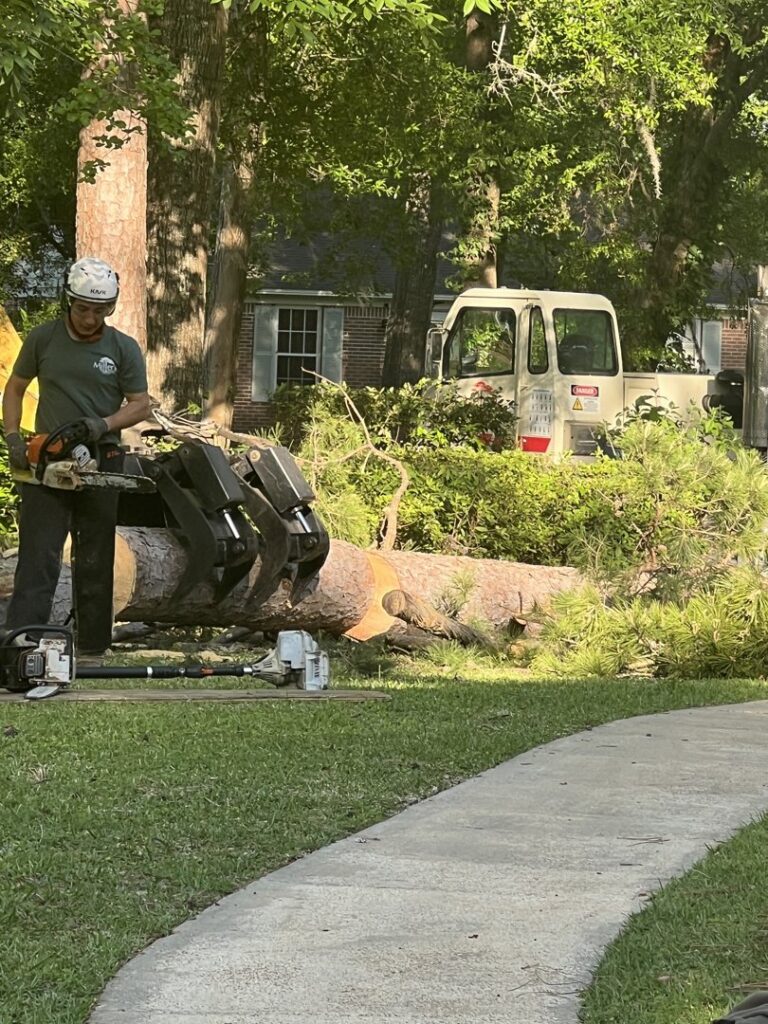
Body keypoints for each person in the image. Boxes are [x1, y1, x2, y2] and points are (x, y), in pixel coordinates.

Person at [2, 256, 151, 660]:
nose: (89, 317)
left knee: (96, 552)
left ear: (110, 308)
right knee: (39, 552)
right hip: (48, 457)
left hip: (102, 455)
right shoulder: (44, 339)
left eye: (99, 310)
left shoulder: (122, 347)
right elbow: (15, 387)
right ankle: (23, 640)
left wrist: (101, 424)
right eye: (83, 308)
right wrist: (13, 434)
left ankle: (92, 645)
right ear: (68, 300)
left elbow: (141, 405)